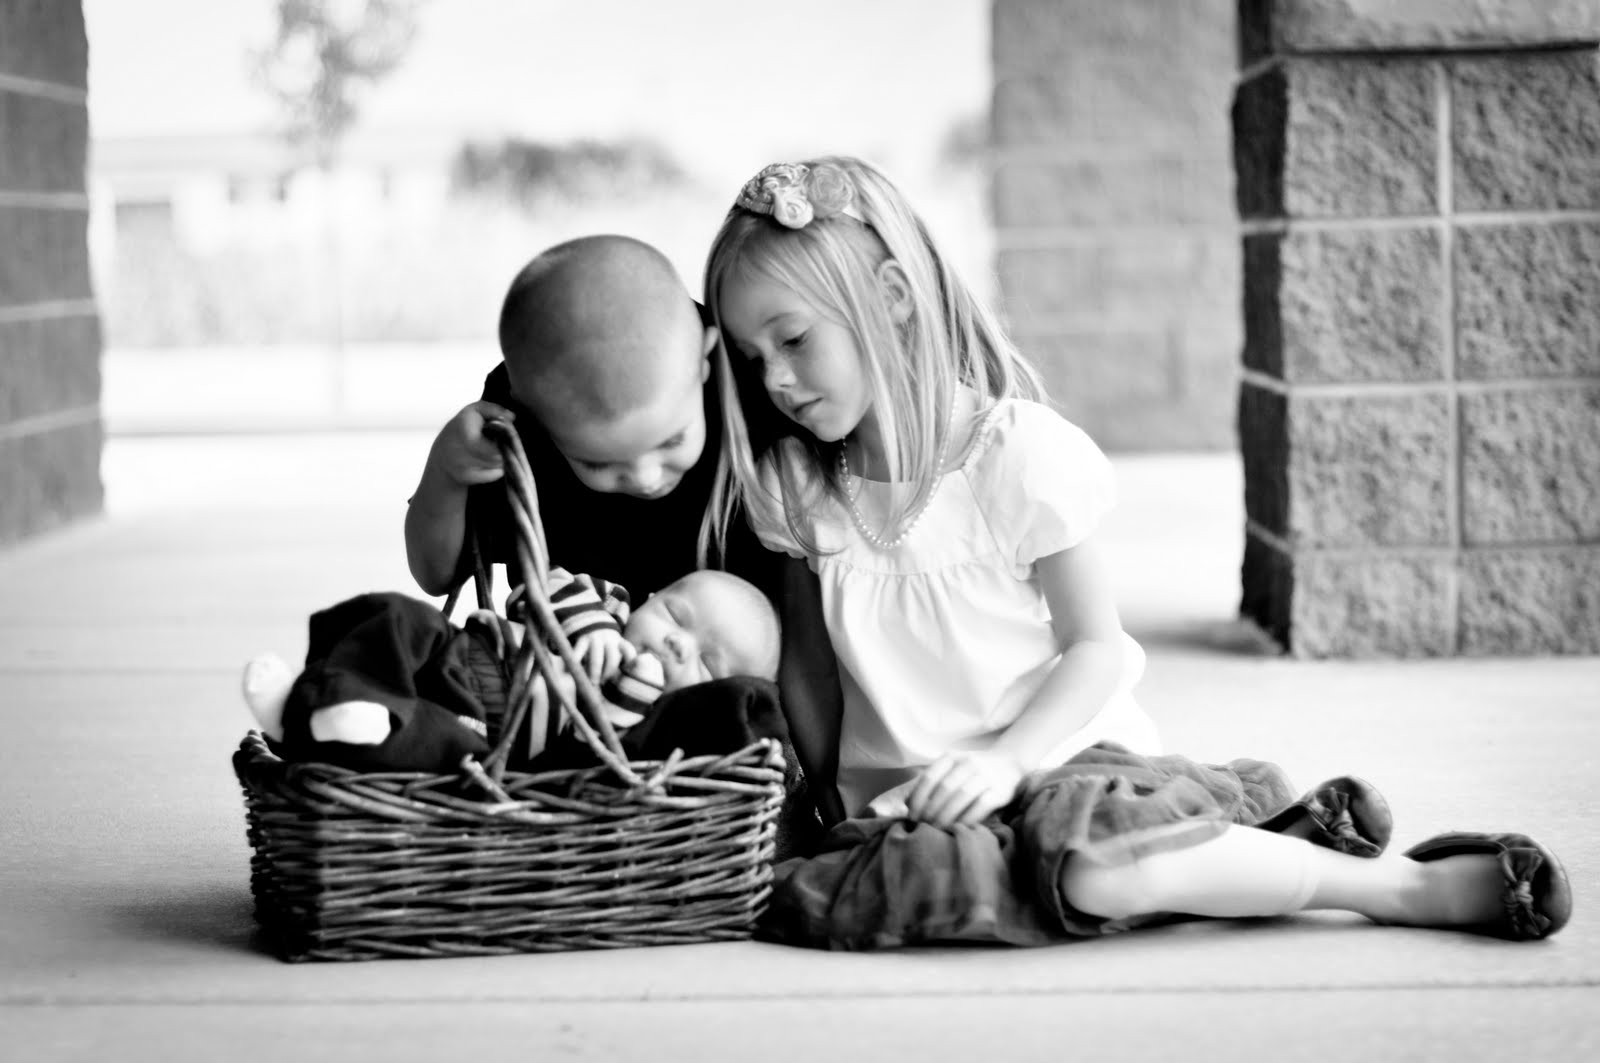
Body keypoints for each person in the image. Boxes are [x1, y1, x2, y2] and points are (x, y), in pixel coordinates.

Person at [698, 155, 1572, 948]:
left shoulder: (1014, 456)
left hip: (1059, 763)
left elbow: (1096, 648)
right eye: (750, 355)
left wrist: (1006, 761)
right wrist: (821, 796)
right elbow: (809, 668)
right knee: (929, 888)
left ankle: (1394, 887)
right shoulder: (798, 487)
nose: (774, 378)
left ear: (892, 297)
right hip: (922, 804)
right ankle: (1242, 857)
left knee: (1088, 866)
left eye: (794, 338)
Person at [403, 234, 776, 605]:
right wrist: (447, 473)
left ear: (704, 363)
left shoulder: (747, 393)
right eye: (599, 463)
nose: (646, 478)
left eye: (672, 441)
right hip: (564, 640)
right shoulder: (524, 429)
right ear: (535, 418)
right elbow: (436, 576)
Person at [240, 567, 782, 774]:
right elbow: (538, 586)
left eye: (706, 661)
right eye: (676, 616)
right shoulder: (607, 606)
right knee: (396, 617)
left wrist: (631, 698)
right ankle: (303, 703)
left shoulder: (655, 730)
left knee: (435, 751)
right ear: (650, 596)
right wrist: (592, 627)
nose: (678, 644)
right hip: (462, 651)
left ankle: (342, 726)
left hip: (485, 730)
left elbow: (585, 765)